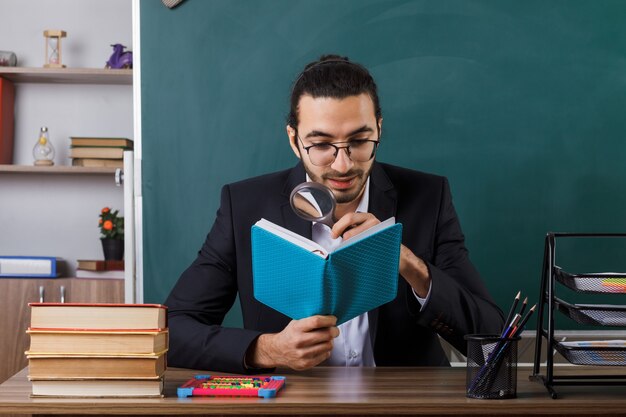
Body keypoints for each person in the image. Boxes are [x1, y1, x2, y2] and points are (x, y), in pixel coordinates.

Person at [165, 54, 504, 373]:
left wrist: (411, 267)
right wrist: (267, 349)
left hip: (402, 404)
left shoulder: (428, 198)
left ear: (379, 129)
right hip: (292, 406)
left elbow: (493, 343)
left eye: (359, 141)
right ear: (294, 140)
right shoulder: (244, 205)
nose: (343, 165)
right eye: (322, 144)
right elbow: (171, 331)